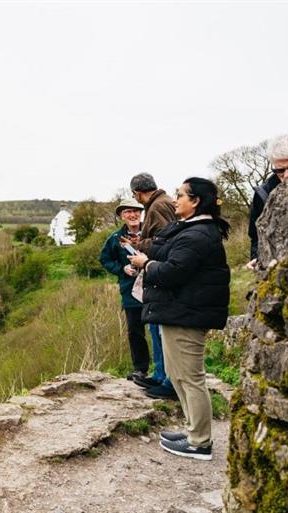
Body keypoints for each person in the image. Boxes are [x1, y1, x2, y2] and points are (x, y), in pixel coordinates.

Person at [128, 177, 231, 461]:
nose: (175, 200)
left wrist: (145, 264)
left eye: (180, 195)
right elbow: (166, 250)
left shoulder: (198, 234)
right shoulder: (191, 229)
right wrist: (147, 251)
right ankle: (192, 431)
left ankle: (200, 442)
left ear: (195, 201)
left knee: (191, 378)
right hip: (179, 310)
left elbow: (173, 271)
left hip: (188, 313)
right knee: (178, 375)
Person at [126, 173, 178, 400]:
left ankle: (166, 379)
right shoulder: (164, 201)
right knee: (156, 327)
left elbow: (165, 242)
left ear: (137, 193)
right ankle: (159, 374)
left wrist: (138, 244)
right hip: (162, 273)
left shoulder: (157, 207)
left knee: (158, 328)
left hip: (160, 273)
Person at [99, 198, 150, 382]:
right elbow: (104, 259)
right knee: (135, 331)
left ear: (141, 213)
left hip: (154, 287)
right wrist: (122, 269)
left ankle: (164, 370)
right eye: (127, 211)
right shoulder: (115, 238)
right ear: (122, 216)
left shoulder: (151, 233)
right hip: (130, 291)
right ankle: (141, 369)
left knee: (159, 330)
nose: (132, 214)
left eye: (136, 210)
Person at [246, 134, 288, 270]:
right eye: (279, 170)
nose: (286, 175)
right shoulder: (263, 194)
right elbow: (256, 237)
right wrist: (257, 258)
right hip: (278, 273)